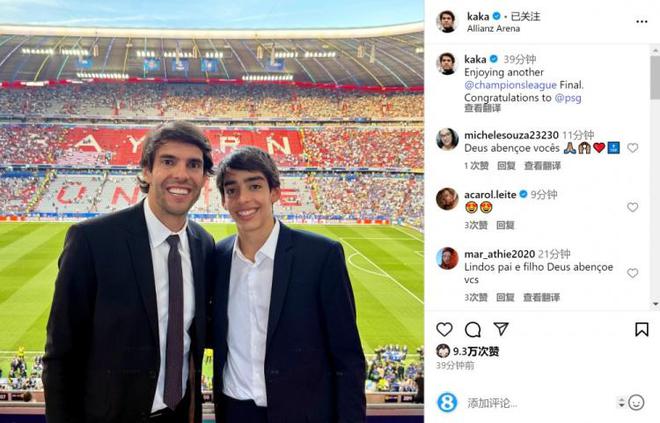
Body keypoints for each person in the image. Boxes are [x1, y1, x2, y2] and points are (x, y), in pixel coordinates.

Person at [42, 121, 215, 423]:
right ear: (147, 170)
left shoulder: (203, 244)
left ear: (203, 178)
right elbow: (61, 355)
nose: (182, 174)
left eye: (193, 165)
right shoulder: (92, 241)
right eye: (168, 161)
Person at [211, 146, 366, 423]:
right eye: (232, 190)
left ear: (275, 192)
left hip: (302, 414)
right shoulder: (217, 258)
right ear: (223, 200)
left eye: (255, 186)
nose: (243, 198)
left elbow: (347, 355)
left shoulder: (321, 256)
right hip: (235, 412)